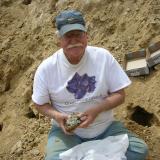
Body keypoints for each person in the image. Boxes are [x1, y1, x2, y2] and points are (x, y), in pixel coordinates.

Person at [32, 10, 148, 160]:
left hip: (105, 127)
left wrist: (96, 110)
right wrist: (58, 117)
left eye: (78, 34)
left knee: (139, 150)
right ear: (59, 39)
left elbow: (120, 95)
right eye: (68, 36)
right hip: (69, 133)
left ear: (86, 35)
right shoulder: (46, 69)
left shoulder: (103, 57)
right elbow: (39, 104)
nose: (74, 40)